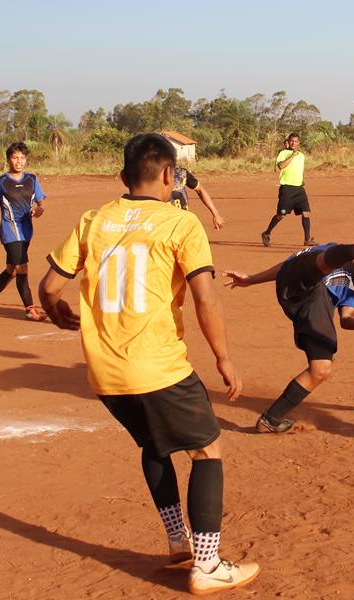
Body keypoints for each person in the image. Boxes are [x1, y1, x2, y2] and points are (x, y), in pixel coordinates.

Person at [38, 133, 259, 594]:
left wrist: (59, 313)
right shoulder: (181, 223)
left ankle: (179, 542)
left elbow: (49, 289)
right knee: (207, 450)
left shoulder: (94, 219)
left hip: (105, 374)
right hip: (157, 366)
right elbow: (205, 297)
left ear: (123, 177)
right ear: (168, 175)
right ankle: (208, 564)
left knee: (155, 446)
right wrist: (223, 358)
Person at [225, 213, 354, 433]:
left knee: (322, 369)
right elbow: (289, 266)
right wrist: (251, 279)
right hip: (299, 278)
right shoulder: (334, 252)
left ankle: (271, 419)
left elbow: (347, 321)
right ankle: (353, 249)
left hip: (313, 310)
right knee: (321, 264)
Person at [0, 142, 47, 321]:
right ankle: (30, 309)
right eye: (15, 157)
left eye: (22, 158)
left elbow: (41, 204)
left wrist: (39, 210)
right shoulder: (0, 181)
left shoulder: (32, 179)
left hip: (26, 232)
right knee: (22, 268)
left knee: (12, 270)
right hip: (9, 231)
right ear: (8, 159)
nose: (19, 161)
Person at [261, 133, 316, 247]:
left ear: (298, 143)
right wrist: (292, 156)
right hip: (287, 189)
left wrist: (302, 180)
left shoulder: (301, 155)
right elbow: (280, 167)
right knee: (281, 214)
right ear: (289, 141)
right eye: (292, 141)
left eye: (296, 141)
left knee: (306, 212)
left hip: (299, 189)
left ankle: (307, 239)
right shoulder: (283, 153)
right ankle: (266, 233)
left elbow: (299, 169)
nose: (294, 143)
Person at [169, 166, 226, 230]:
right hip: (163, 221)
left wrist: (216, 214)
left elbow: (200, 190)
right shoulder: (156, 176)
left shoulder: (181, 173)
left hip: (182, 220)